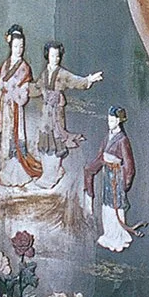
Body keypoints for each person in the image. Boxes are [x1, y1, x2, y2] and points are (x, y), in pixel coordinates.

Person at [0, 26, 42, 184]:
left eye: (21, 46)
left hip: (14, 108)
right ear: (10, 46)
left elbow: (24, 94)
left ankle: (17, 174)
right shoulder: (4, 65)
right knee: (4, 137)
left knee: (14, 139)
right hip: (4, 106)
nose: (18, 49)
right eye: (15, 46)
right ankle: (5, 170)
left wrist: (13, 91)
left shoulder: (25, 68)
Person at [33, 39, 102, 159]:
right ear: (47, 56)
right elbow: (37, 87)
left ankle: (59, 148)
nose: (55, 58)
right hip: (46, 107)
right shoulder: (44, 73)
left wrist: (89, 80)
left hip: (56, 106)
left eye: (57, 56)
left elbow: (74, 80)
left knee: (58, 127)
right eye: (52, 55)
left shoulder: (62, 73)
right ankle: (47, 147)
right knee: (45, 126)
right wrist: (24, 88)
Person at [96, 109, 140, 252]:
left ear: (119, 121)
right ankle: (108, 233)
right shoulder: (107, 137)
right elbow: (101, 155)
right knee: (106, 204)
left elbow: (129, 164)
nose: (110, 123)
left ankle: (117, 236)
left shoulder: (122, 140)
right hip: (107, 173)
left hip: (116, 175)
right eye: (109, 120)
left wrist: (126, 182)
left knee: (115, 205)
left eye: (113, 120)